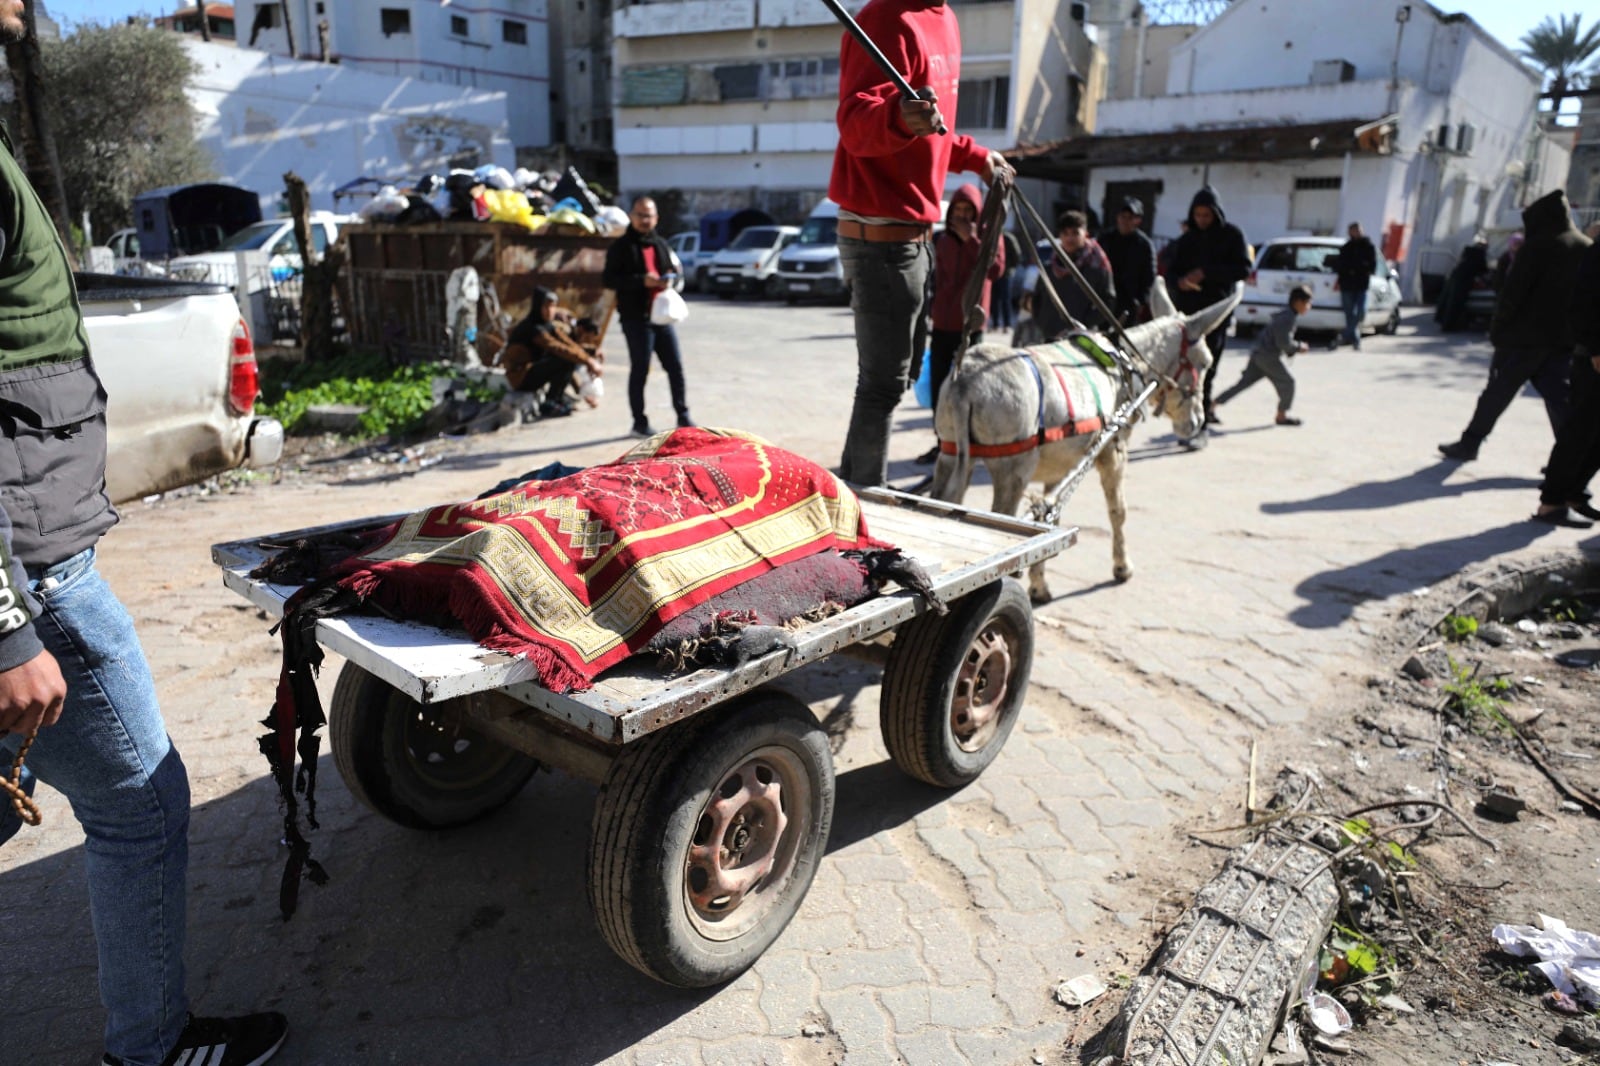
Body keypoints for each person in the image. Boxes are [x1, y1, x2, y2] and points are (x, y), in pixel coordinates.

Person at [0, 14, 289, 1064]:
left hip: (31, 550)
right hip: (32, 576)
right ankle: (153, 1049)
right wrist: (3, 630)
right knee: (142, 805)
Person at [830, 0, 1013, 487]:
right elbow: (854, 122)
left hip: (917, 232)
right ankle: (864, 507)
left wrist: (977, 157)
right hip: (880, 235)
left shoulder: (946, 20)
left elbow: (932, 128)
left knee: (900, 377)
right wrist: (895, 116)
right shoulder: (884, 19)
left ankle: (853, 491)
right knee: (883, 384)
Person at [1438, 189, 1591, 462]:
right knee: (1560, 400)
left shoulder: (1539, 246)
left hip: (1522, 340)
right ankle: (1574, 457)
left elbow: (1512, 293)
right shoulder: (1584, 246)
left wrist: (1498, 330)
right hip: (1562, 341)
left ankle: (1469, 443)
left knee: (1496, 394)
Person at [915, 184, 1005, 464]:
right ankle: (942, 443)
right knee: (939, 388)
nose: (963, 216)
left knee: (968, 388)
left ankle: (967, 444)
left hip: (971, 325)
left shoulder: (989, 235)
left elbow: (996, 270)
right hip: (943, 323)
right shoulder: (941, 238)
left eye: (969, 211)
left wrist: (972, 242)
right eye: (958, 210)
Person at [1163, 186, 1252, 440]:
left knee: (1207, 370)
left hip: (1216, 314)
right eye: (1198, 215)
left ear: (1216, 213)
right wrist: (1179, 281)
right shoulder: (1187, 240)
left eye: (1206, 215)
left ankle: (1200, 428)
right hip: (1188, 315)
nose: (1202, 220)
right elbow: (1170, 270)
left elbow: (1243, 269)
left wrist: (1206, 273)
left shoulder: (1232, 236)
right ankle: (1184, 422)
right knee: (1183, 371)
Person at [602, 196, 693, 437]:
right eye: (640, 215)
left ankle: (683, 416)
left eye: (649, 215)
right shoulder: (621, 247)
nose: (645, 220)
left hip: (661, 315)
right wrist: (640, 281)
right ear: (632, 216)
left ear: (656, 218)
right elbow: (608, 279)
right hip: (635, 317)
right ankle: (639, 422)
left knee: (675, 366)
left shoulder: (661, 244)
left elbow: (669, 269)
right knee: (640, 368)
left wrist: (669, 276)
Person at [1533, 238, 1600, 527]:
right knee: (1579, 431)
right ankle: (1551, 503)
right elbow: (1584, 302)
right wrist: (1596, 348)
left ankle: (1572, 492)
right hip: (1595, 359)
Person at [499, 288, 604, 420]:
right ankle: (551, 402)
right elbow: (556, 347)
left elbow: (568, 344)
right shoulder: (533, 327)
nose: (550, 311)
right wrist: (588, 361)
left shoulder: (548, 325)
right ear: (538, 307)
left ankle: (558, 399)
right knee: (564, 358)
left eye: (553, 306)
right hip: (520, 377)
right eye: (546, 306)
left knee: (568, 357)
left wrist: (589, 355)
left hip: (532, 370)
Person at [1214, 285, 1311, 427]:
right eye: (1307, 303)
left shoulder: (1286, 315)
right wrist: (1299, 347)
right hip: (1268, 357)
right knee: (1288, 383)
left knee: (1243, 384)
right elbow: (1283, 342)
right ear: (1298, 302)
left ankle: (1211, 406)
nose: (1309, 307)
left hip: (1259, 353)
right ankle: (1281, 416)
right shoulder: (1288, 318)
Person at [1030, 209, 1116, 340]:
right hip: (1047, 337)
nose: (1070, 238)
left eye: (1075, 233)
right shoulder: (1049, 267)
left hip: (1080, 339)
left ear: (1085, 234)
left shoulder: (1097, 266)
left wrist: (1084, 323)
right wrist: (1043, 322)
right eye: (1065, 233)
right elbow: (1037, 299)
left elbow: (1108, 301)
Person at [1099, 196, 1157, 325]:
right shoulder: (1105, 239)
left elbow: (1149, 277)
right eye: (1122, 216)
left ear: (1138, 220)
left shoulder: (1144, 245)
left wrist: (1141, 301)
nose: (1125, 221)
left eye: (1130, 218)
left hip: (1129, 304)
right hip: (1104, 299)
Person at [1332, 221, 1378, 350]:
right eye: (1353, 230)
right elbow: (1340, 265)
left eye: (1358, 230)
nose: (1356, 233)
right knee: (1349, 313)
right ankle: (1355, 340)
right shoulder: (1346, 247)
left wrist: (1361, 268)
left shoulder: (1368, 246)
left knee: (1361, 312)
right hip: (1347, 285)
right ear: (1350, 232)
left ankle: (1346, 334)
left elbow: (1372, 266)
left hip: (1361, 285)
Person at [992, 228, 1021, 332]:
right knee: (994, 300)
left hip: (1006, 274)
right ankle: (995, 324)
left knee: (1005, 300)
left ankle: (1007, 324)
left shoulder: (1008, 238)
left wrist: (1009, 268)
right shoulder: (991, 237)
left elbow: (1017, 255)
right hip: (993, 274)